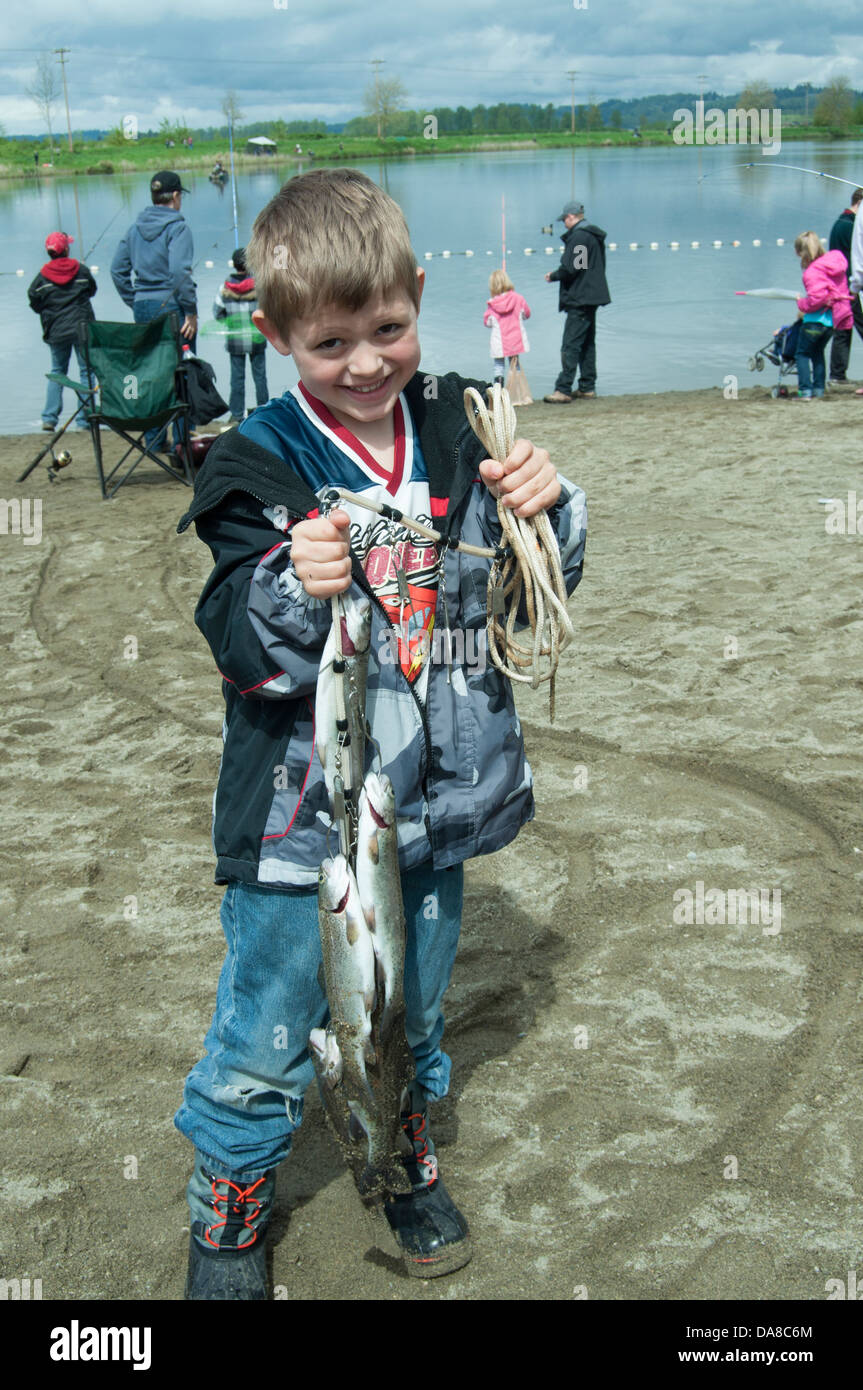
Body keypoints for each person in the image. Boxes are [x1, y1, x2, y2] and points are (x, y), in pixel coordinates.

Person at [174, 168, 587, 1300]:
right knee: (266, 1029)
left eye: (387, 329)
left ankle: (399, 1156)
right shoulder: (256, 462)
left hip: (435, 813)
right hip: (298, 829)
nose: (364, 363)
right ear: (275, 335)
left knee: (408, 1010)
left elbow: (531, 583)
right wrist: (284, 582)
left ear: (415, 297)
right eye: (329, 344)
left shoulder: (462, 426)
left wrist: (553, 511)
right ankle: (232, 1197)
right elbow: (233, 637)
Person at [111, 171, 198, 451]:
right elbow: (178, 272)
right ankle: (182, 442)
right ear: (175, 196)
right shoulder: (178, 227)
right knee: (181, 373)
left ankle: (155, 439)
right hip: (173, 308)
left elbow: (117, 270)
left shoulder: (135, 228)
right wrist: (191, 313)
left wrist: (135, 299)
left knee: (150, 373)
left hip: (143, 307)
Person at [28, 231, 97, 432]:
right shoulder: (82, 271)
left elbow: (34, 301)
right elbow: (92, 291)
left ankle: (49, 419)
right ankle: (84, 421)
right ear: (66, 249)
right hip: (82, 329)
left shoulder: (41, 278)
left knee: (57, 371)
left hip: (56, 330)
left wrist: (49, 312)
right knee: (87, 371)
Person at [543, 199, 611, 403]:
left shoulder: (580, 237)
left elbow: (576, 266)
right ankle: (587, 387)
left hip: (580, 299)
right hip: (591, 297)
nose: (564, 223)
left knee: (570, 345)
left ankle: (563, 389)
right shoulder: (591, 235)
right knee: (587, 344)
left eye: (565, 219)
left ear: (571, 217)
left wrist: (553, 275)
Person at [212, 246, 269, 425]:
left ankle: (236, 414)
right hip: (256, 338)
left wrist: (230, 322)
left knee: (237, 378)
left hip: (235, 339)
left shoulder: (225, 286)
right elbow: (267, 311)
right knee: (260, 377)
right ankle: (264, 409)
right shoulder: (259, 285)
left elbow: (217, 312)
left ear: (234, 265)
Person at [793, 230, 851, 400]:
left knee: (802, 354)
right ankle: (818, 390)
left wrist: (800, 302)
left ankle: (805, 391)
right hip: (831, 320)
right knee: (818, 354)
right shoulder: (833, 263)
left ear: (800, 252)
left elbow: (816, 299)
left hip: (814, 321)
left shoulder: (812, 272)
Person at [829, 187, 863, 384]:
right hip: (852, 287)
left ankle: (837, 374)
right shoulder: (850, 225)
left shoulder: (841, 221)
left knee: (843, 328)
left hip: (840, 286)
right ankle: (837, 374)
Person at [483, 269, 530, 385]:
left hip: (499, 343)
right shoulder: (518, 298)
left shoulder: (492, 304)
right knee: (515, 365)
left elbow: (487, 323)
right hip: (515, 340)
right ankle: (518, 392)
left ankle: (499, 393)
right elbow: (526, 314)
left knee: (498, 367)